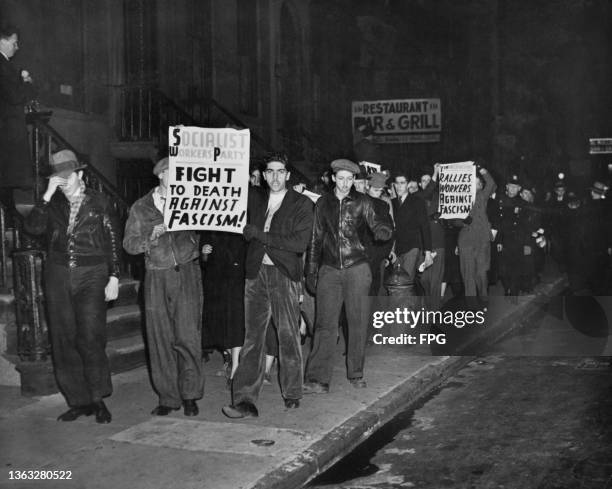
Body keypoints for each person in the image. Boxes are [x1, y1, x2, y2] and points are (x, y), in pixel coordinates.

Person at [24, 149, 120, 423]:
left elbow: (112, 241)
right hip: (57, 274)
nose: (64, 182)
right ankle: (78, 401)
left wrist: (114, 276)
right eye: (58, 177)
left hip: (92, 274)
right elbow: (32, 228)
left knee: (90, 336)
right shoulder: (52, 204)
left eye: (68, 176)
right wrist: (45, 196)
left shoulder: (99, 202)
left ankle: (98, 398)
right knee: (63, 339)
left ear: (79, 175)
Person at [222, 153, 314, 418]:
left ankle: (293, 391)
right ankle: (244, 399)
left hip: (284, 274)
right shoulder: (254, 198)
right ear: (263, 175)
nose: (274, 177)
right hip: (255, 273)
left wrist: (259, 235)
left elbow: (298, 243)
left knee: (287, 334)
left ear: (287, 175)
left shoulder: (301, 204)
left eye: (280, 172)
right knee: (253, 336)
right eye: (269, 172)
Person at [304, 159, 393, 393]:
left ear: (354, 180)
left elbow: (379, 223)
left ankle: (355, 373)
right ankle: (317, 379)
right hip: (329, 269)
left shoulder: (363, 202)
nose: (345, 184)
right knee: (325, 324)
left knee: (357, 322)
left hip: (357, 268)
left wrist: (384, 231)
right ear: (333, 178)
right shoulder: (323, 203)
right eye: (340, 178)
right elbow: (315, 239)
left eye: (349, 179)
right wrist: (311, 271)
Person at [123, 157, 203, 417]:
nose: (179, 177)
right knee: (160, 338)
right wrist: (150, 237)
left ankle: (190, 394)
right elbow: (129, 244)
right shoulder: (141, 207)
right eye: (173, 173)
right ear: (161, 175)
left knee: (188, 335)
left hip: (187, 272)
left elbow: (208, 228)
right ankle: (168, 397)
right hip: (157, 275)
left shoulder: (191, 200)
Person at [200, 231, 246, 387]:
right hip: (215, 281)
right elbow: (203, 261)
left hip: (236, 278)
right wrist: (204, 253)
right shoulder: (211, 225)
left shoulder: (241, 218)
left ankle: (235, 369)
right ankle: (229, 360)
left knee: (235, 322)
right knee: (220, 322)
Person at [0, 23, 37, 205]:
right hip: (6, 134)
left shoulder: (6, 65)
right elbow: (15, 96)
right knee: (6, 184)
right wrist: (26, 81)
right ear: (1, 42)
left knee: (6, 187)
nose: (17, 47)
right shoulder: (3, 65)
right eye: (14, 42)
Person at [457, 165, 496, 309]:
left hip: (482, 240)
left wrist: (483, 171)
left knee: (481, 271)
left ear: (480, 185)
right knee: (468, 272)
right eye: (470, 182)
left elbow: (491, 184)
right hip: (466, 239)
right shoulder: (459, 198)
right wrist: (461, 221)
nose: (473, 185)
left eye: (476, 182)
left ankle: (484, 295)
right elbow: (452, 219)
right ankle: (471, 303)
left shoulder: (482, 196)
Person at [391, 171, 433, 283]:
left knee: (406, 280)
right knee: (397, 282)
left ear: (408, 184)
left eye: (402, 183)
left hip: (412, 247)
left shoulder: (417, 201)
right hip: (396, 249)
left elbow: (425, 227)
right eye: (397, 183)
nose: (399, 186)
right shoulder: (392, 202)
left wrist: (428, 253)